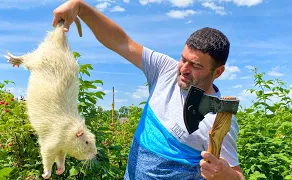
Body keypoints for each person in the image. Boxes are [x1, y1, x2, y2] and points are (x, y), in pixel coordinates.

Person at [52, 0, 245, 179]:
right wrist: (80, 7)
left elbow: (237, 174)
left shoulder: (219, 121)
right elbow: (121, 43)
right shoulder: (165, 70)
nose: (184, 69)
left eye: (195, 65)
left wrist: (227, 175)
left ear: (218, 72)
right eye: (183, 59)